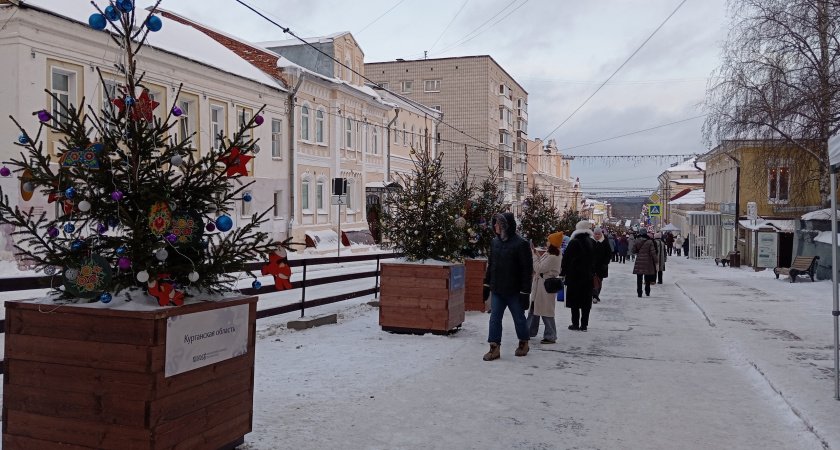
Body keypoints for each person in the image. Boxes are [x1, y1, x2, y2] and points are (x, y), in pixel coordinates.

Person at [482, 212, 533, 361]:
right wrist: (486, 284)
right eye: (495, 222)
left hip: (514, 291)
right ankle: (494, 347)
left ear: (506, 226)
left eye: (498, 223)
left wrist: (525, 292)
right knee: (494, 319)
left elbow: (526, 270)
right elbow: (491, 265)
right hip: (497, 290)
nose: (495, 225)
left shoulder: (521, 244)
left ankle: (524, 342)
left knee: (518, 318)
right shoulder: (494, 243)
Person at [527, 232, 563, 344]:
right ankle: (529, 330)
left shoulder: (553, 256)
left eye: (548, 240)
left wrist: (533, 256)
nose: (546, 242)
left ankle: (551, 335)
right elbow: (542, 263)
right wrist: (536, 253)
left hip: (545, 286)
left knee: (546, 311)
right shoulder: (550, 253)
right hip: (540, 285)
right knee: (534, 308)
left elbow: (539, 268)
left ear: (552, 243)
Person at [561, 220, 595, 331]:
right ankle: (584, 325)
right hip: (588, 276)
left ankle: (575, 324)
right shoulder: (592, 242)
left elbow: (566, 259)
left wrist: (563, 272)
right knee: (586, 301)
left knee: (574, 301)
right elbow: (596, 260)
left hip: (574, 276)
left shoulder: (573, 242)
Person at [632, 230, 659, 297]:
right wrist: (656, 261)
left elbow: (633, 250)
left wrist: (638, 252)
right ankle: (647, 291)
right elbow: (653, 252)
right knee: (647, 277)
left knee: (639, 278)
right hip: (648, 261)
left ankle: (639, 292)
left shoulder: (637, 240)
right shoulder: (650, 241)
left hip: (639, 261)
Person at [591, 227, 612, 304]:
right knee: (593, 281)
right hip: (592, 266)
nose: (597, 236)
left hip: (601, 266)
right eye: (596, 234)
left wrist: (605, 263)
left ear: (601, 234)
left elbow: (609, 254)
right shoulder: (591, 241)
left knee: (599, 281)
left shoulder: (605, 242)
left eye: (598, 234)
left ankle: (597, 294)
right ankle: (594, 296)